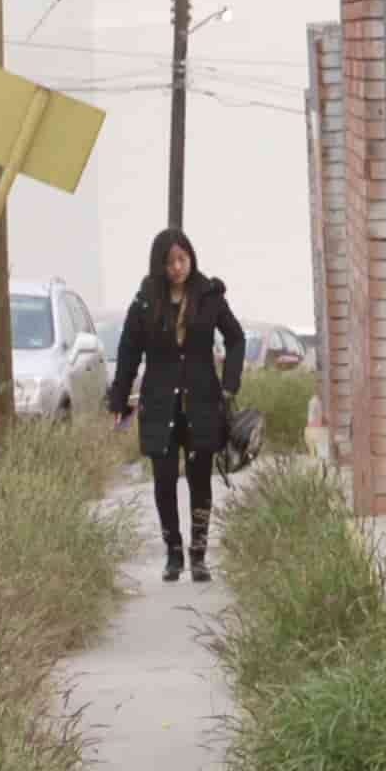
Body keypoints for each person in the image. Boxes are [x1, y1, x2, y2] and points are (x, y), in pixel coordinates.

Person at [105, 226, 247, 584]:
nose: (178, 268)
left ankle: (199, 555)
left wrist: (229, 384)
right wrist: (119, 399)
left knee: (200, 479)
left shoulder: (209, 294)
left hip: (201, 402)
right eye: (170, 262)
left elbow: (236, 337)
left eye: (182, 259)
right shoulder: (145, 300)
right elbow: (128, 350)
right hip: (159, 404)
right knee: (165, 480)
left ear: (191, 258)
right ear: (160, 265)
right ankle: (173, 553)